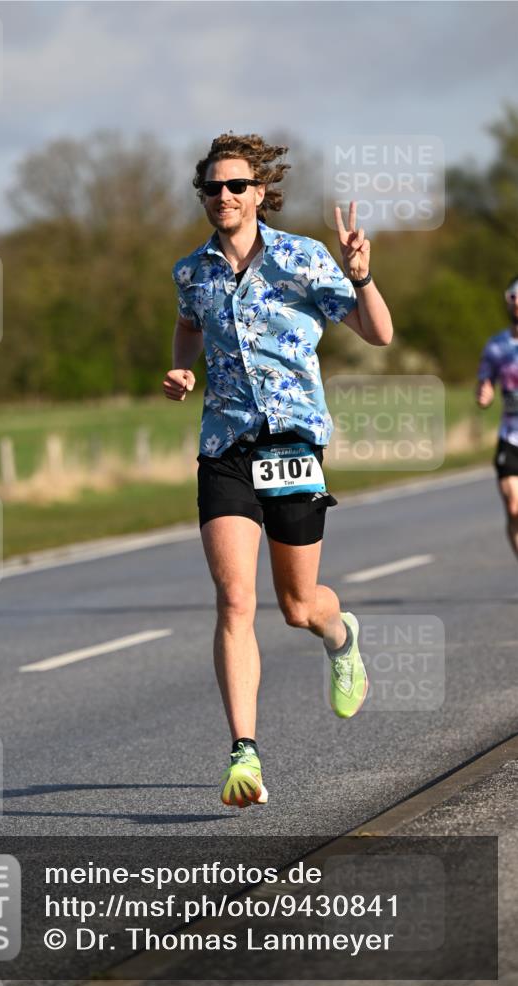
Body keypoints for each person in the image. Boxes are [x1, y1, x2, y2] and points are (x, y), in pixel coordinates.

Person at [162, 133, 393, 808]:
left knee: (297, 606)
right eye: (211, 188)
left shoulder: (302, 259)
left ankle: (338, 632)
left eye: (235, 186)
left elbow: (376, 333)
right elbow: (186, 326)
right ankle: (245, 754)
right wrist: (181, 367)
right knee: (235, 598)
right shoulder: (192, 272)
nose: (222, 197)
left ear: (259, 193)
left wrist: (360, 274)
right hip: (225, 445)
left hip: (292, 444)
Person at [476, 275, 518, 560]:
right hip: (510, 435)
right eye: (514, 297)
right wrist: (484, 392)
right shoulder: (496, 346)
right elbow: (484, 382)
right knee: (514, 508)